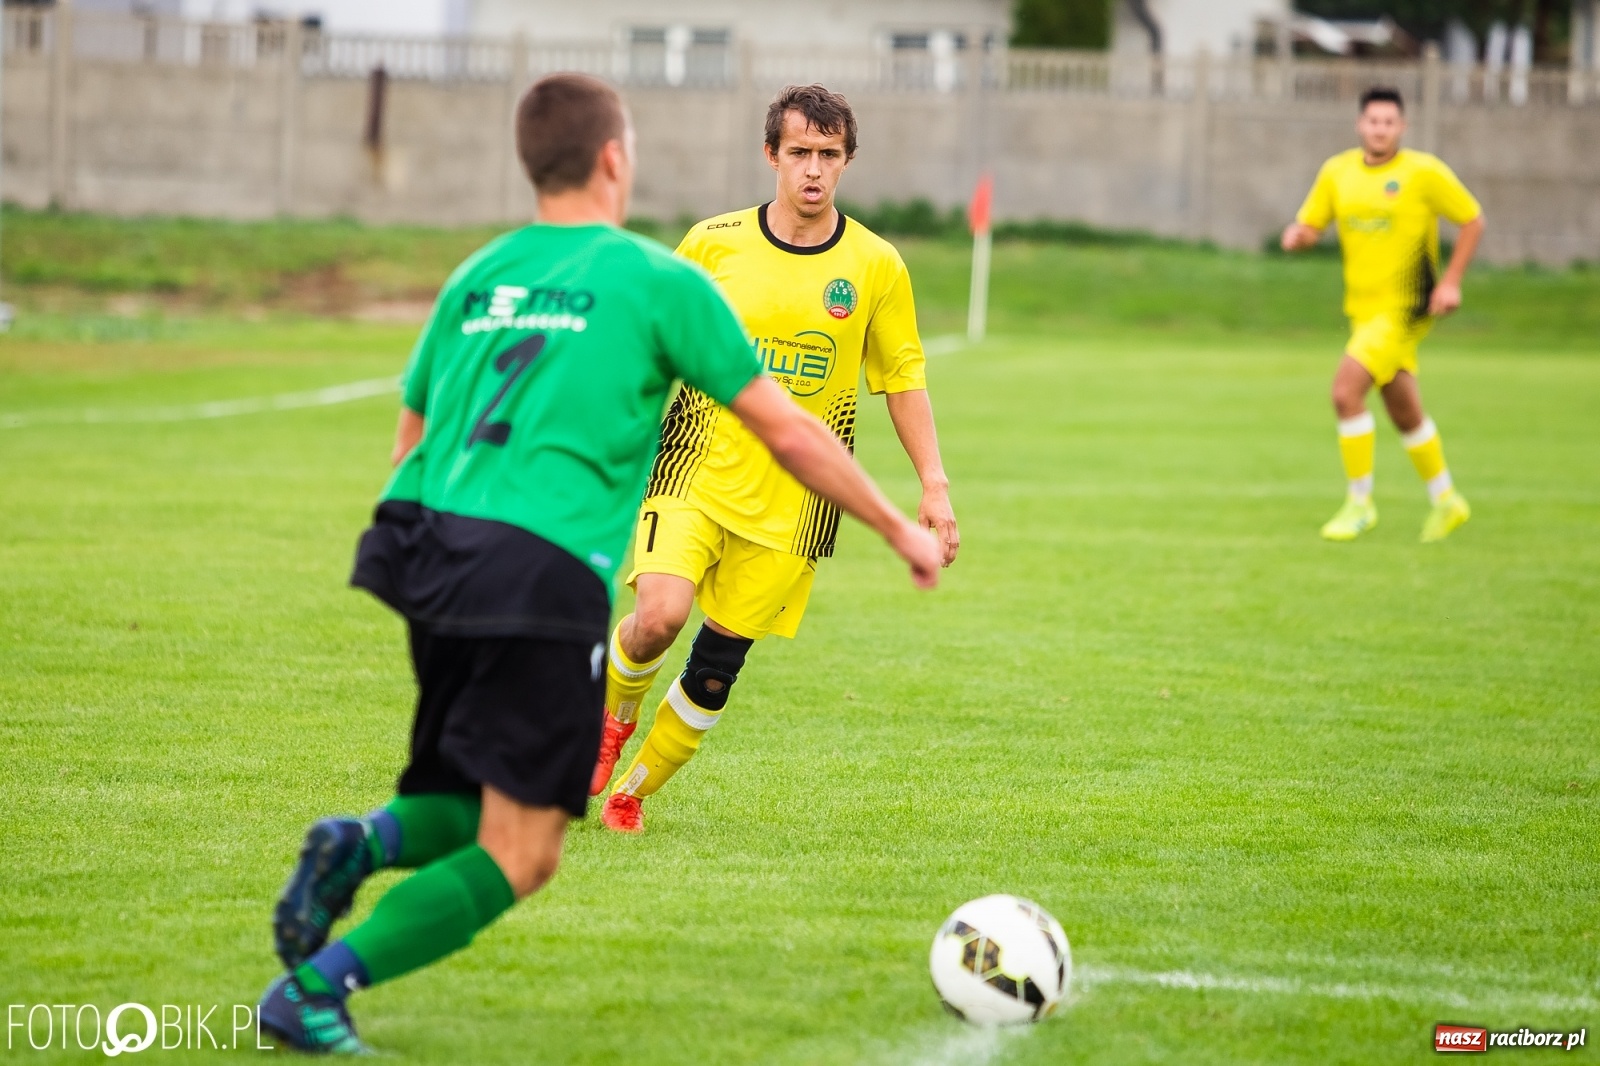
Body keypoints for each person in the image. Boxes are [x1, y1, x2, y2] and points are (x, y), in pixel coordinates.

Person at [255, 73, 942, 1054]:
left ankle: (360, 844)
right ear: (615, 158)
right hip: (533, 575)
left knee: (469, 794)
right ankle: (318, 988)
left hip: (426, 556)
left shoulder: (478, 273)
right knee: (527, 849)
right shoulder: (656, 279)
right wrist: (898, 524)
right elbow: (789, 432)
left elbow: (412, 424)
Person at [589, 84, 959, 834]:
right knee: (659, 615)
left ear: (847, 161)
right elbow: (653, 345)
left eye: (829, 155)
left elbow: (902, 377)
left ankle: (634, 789)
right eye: (800, 153)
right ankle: (610, 723)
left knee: (717, 666)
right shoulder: (713, 242)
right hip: (694, 466)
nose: (813, 170)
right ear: (772, 156)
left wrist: (934, 484)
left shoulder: (877, 266)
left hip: (798, 503)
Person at [1282, 86, 1485, 543]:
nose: (1380, 129)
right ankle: (1447, 500)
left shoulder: (1423, 172)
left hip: (1407, 306)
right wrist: (1298, 237)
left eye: (1389, 122)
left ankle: (1359, 503)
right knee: (1404, 409)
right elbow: (1312, 225)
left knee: (1344, 393)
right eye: (1373, 121)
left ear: (1402, 127)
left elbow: (1472, 219)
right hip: (1364, 309)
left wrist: (1451, 281)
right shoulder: (1337, 172)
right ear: (1360, 124)